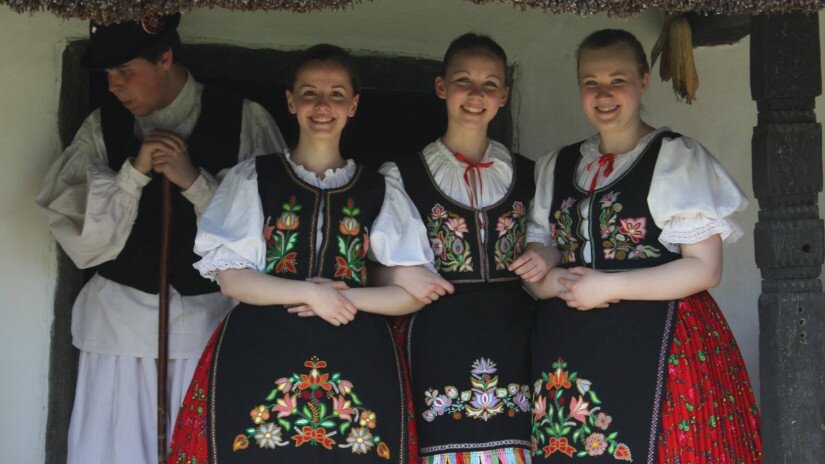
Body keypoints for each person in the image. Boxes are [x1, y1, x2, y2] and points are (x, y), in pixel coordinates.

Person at [167, 43, 448, 464]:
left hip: (356, 359)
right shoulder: (253, 177)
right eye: (310, 93)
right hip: (261, 353)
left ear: (353, 105)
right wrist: (310, 293)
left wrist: (344, 298)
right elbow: (232, 278)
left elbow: (412, 292)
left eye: (336, 94)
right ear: (290, 101)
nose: (322, 105)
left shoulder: (378, 190)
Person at [35, 13, 286, 464]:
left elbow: (273, 230)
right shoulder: (102, 126)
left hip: (208, 325)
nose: (114, 86)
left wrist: (193, 181)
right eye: (108, 75)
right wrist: (133, 174)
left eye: (125, 71)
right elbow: (82, 238)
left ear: (165, 58)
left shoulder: (245, 119)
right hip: (119, 330)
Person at [526, 29, 761, 463]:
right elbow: (542, 251)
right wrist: (547, 268)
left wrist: (608, 286)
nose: (603, 94)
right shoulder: (556, 165)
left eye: (617, 80)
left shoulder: (675, 159)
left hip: (663, 341)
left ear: (643, 82)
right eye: (591, 82)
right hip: (572, 349)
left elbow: (705, 268)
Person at [378, 33, 552, 463]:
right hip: (435, 339)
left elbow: (557, 242)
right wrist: (399, 273)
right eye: (463, 81)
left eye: (489, 84)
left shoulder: (532, 175)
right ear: (441, 87)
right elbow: (373, 266)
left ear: (504, 95)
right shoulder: (401, 176)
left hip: (517, 338)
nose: (476, 95)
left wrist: (549, 255)